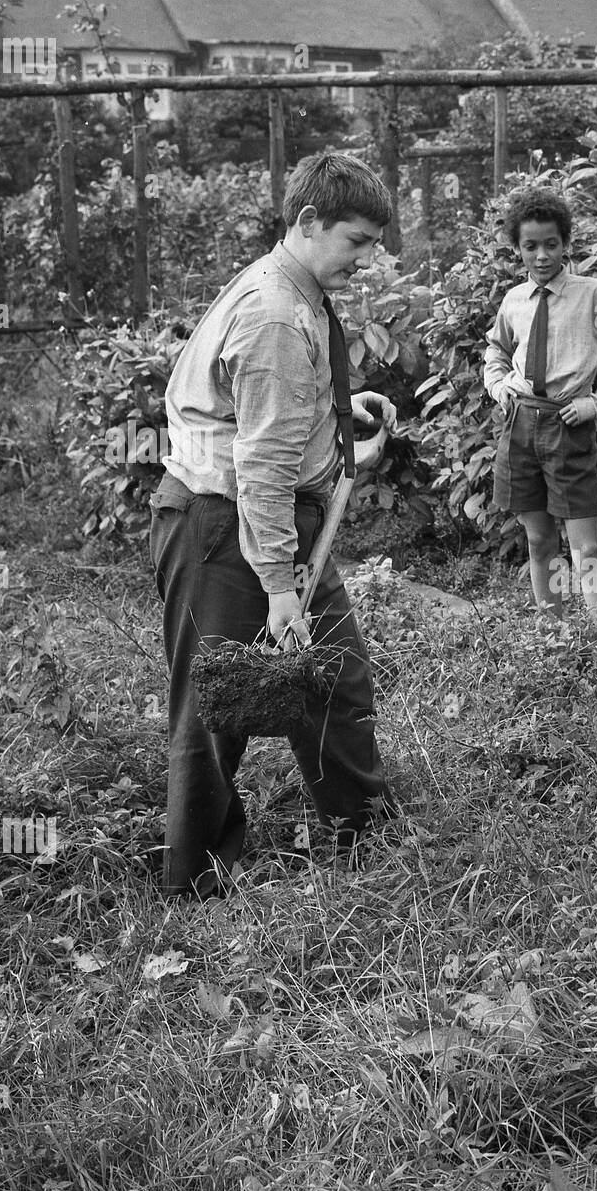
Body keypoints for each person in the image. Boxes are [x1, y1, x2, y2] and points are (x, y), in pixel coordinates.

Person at [149, 152, 395, 898]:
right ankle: (193, 879)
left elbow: (260, 405)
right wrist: (280, 589)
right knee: (217, 705)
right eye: (356, 241)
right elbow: (260, 468)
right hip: (226, 527)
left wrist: (331, 407)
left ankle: (365, 837)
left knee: (334, 678)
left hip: (267, 523)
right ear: (308, 222)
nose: (366, 259)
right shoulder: (276, 315)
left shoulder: (294, 283)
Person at [484, 187, 597, 623]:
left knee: (586, 546)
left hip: (567, 426)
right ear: (517, 248)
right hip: (519, 424)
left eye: (551, 244)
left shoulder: (591, 293)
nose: (541, 256)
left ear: (566, 244)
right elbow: (496, 353)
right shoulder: (514, 301)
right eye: (530, 246)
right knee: (538, 541)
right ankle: (550, 636)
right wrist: (499, 387)